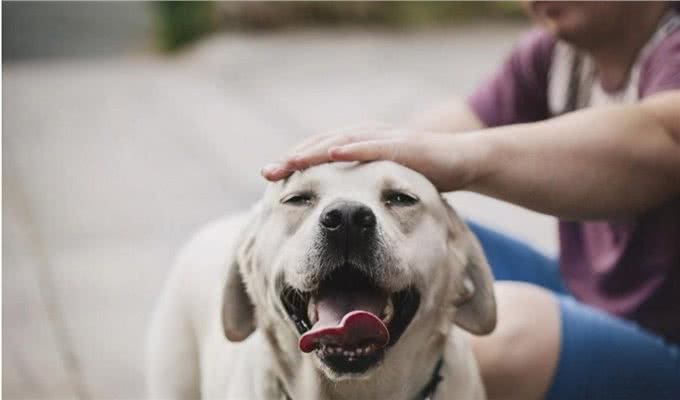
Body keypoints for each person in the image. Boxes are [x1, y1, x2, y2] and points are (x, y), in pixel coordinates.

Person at [262, 2, 680, 400]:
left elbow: (664, 136)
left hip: (668, 348)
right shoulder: (556, 54)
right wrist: (318, 193)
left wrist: (466, 158)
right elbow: (420, 141)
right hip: (587, 290)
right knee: (417, 231)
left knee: (506, 335)